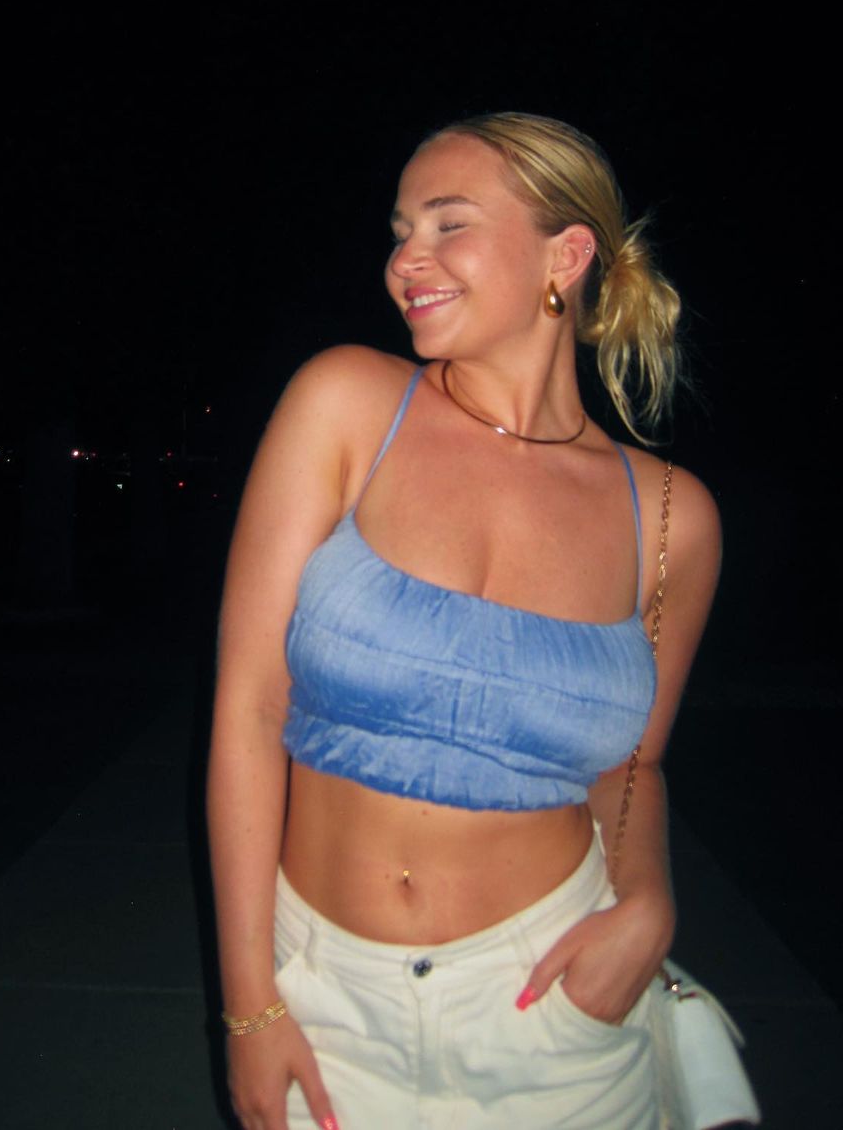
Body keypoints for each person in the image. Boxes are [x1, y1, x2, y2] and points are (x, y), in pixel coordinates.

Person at [207, 113, 721, 1129]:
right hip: (324, 997)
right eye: (401, 231)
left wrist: (648, 904)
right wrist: (249, 1004)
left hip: (553, 1008)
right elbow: (249, 707)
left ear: (564, 257)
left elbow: (634, 767)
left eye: (449, 225)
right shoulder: (346, 403)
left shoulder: (672, 516)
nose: (407, 260)